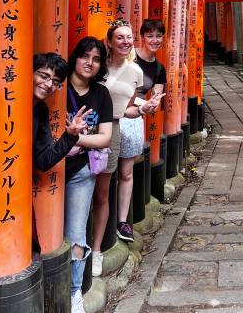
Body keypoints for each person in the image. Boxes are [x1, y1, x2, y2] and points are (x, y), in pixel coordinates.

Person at [91, 20, 164, 277]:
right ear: (109, 41)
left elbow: (128, 109)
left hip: (114, 129)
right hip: (90, 127)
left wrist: (144, 108)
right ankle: (86, 246)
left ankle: (98, 248)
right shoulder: (96, 65)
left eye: (129, 37)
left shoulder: (135, 72)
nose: (125, 42)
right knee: (87, 186)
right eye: (119, 37)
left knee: (105, 189)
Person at [63, 37, 113, 313]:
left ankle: (73, 293)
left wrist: (73, 138)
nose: (89, 63)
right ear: (75, 57)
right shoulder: (57, 85)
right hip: (48, 168)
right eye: (85, 56)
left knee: (76, 233)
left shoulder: (100, 94)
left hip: (81, 171)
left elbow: (105, 138)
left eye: (96, 59)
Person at [32, 53, 89, 254]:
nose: (48, 84)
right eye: (43, 76)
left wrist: (71, 135)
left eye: (55, 82)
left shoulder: (40, 110)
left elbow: (44, 160)